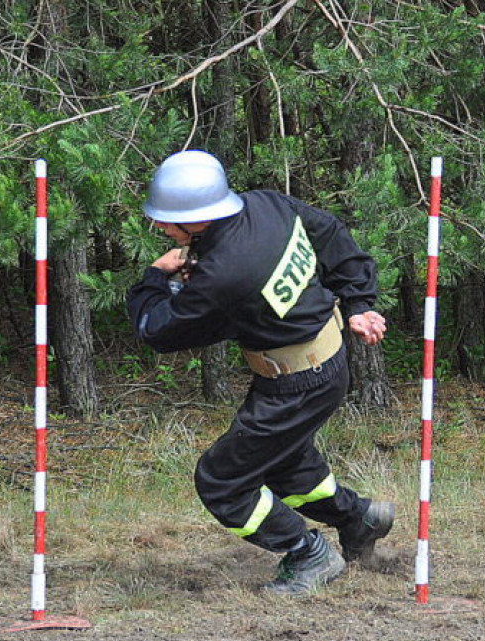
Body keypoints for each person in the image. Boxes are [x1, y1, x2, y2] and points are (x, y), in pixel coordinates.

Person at [126, 149, 394, 596]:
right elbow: (329, 232)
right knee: (285, 465)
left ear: (198, 220)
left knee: (223, 480)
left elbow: (157, 329)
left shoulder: (224, 274)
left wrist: (156, 278)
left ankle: (308, 554)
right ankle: (358, 518)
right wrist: (358, 301)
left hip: (296, 383)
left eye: (166, 220)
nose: (159, 228)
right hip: (317, 367)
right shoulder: (266, 204)